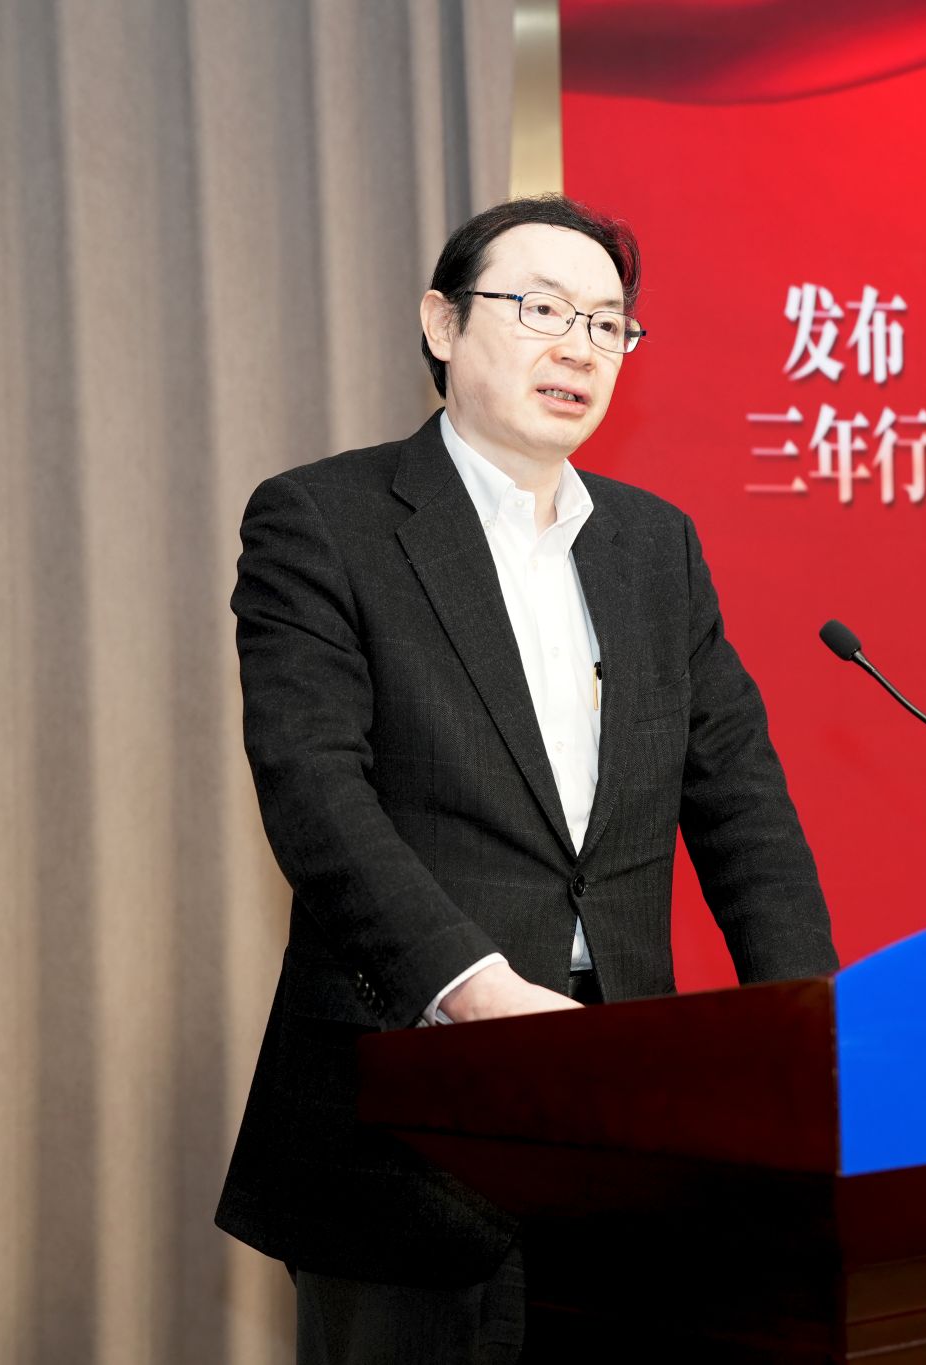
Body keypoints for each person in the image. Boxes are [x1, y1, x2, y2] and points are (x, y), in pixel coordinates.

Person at [214, 194, 838, 1364]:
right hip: (405, 1117)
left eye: (606, 323)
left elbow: (742, 807)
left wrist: (811, 1037)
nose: (579, 348)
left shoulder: (654, 547)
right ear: (441, 324)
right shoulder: (325, 521)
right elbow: (314, 794)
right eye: (542, 309)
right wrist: (475, 991)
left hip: (623, 1133)